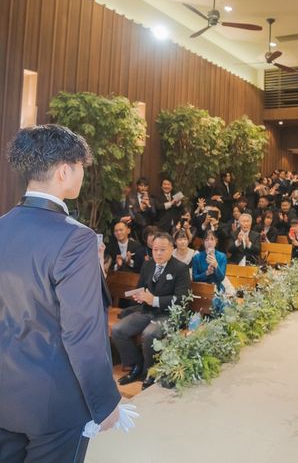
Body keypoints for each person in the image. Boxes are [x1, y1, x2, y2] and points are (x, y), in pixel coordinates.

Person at [1, 124, 120, 462]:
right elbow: (82, 331)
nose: (82, 174)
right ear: (65, 171)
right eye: (81, 166)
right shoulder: (76, 238)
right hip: (53, 402)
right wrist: (104, 402)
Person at [111, 232, 191, 390]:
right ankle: (136, 365)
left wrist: (154, 300)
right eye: (155, 249)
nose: (158, 253)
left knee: (149, 334)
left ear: (171, 249)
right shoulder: (148, 265)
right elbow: (141, 287)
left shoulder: (181, 269)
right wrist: (139, 296)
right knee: (118, 330)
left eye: (162, 249)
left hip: (169, 314)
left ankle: (151, 372)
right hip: (147, 310)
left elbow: (181, 298)